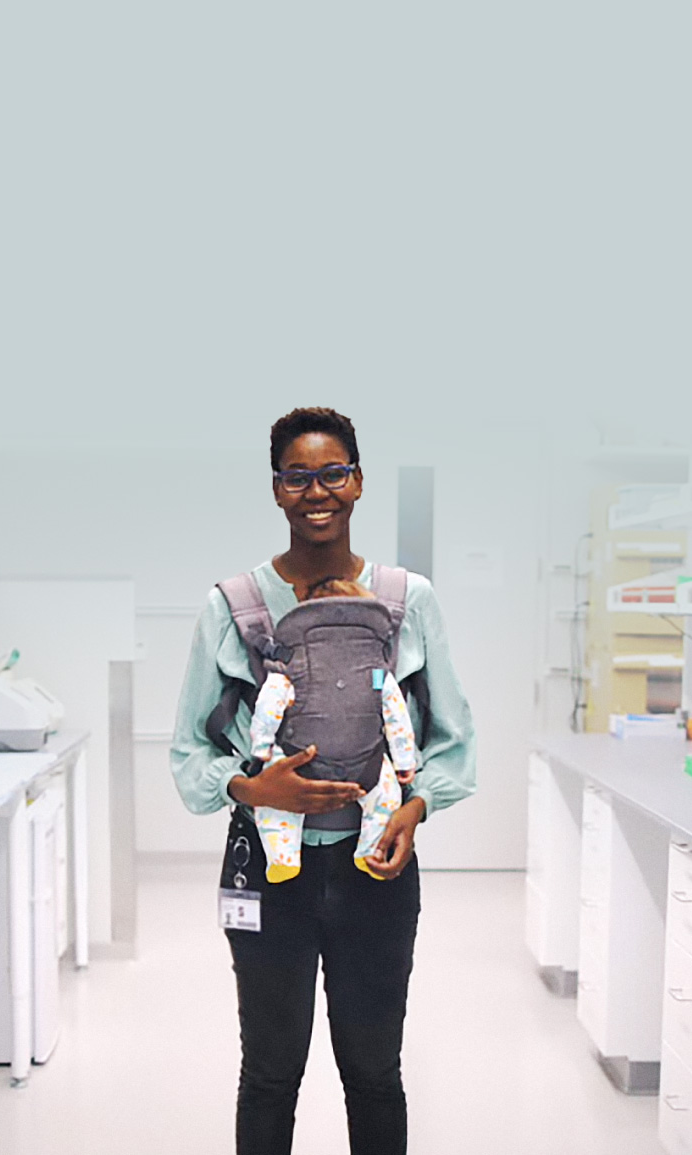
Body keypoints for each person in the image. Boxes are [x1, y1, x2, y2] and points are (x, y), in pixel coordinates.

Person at [171, 406, 476, 1155]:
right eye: (297, 476)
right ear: (276, 490)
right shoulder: (232, 606)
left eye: (333, 473)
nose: (317, 490)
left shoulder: (409, 601)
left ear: (358, 482)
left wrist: (415, 808)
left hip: (378, 866)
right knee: (270, 1073)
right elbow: (188, 755)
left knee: (374, 1070)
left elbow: (452, 741)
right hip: (269, 873)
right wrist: (253, 787)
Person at [247, 576, 417, 884]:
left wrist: (261, 748)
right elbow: (395, 714)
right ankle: (371, 852)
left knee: (273, 800)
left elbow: (268, 706)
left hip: (300, 761)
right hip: (367, 764)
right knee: (386, 798)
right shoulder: (378, 672)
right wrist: (405, 763)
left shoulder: (292, 664)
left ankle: (282, 856)